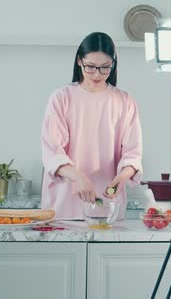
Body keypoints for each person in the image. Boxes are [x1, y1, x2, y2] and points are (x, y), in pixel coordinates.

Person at [40, 32, 143, 220]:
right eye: (91, 67)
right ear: (79, 61)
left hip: (108, 207)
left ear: (113, 64)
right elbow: (52, 153)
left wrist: (121, 179)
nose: (97, 74)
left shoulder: (124, 101)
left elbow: (132, 154)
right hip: (64, 207)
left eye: (105, 68)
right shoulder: (61, 98)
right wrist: (79, 178)